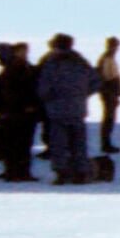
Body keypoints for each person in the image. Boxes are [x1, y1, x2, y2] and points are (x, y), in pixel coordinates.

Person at [35, 34, 97, 184]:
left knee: (59, 145)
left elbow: (43, 87)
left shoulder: (51, 63)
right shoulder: (81, 62)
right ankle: (81, 172)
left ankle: (62, 173)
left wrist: (49, 99)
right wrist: (81, 94)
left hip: (57, 110)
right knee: (79, 144)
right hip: (77, 109)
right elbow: (96, 81)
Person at [0, 41, 41, 181]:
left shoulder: (14, 69)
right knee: (18, 143)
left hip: (15, 111)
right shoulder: (18, 70)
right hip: (18, 111)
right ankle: (16, 171)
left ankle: (15, 171)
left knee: (17, 143)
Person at [95, 36, 120, 154]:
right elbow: (109, 78)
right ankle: (105, 144)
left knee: (109, 118)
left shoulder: (108, 58)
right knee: (109, 118)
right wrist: (113, 92)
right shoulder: (107, 58)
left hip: (109, 92)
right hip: (109, 92)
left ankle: (106, 143)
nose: (117, 48)